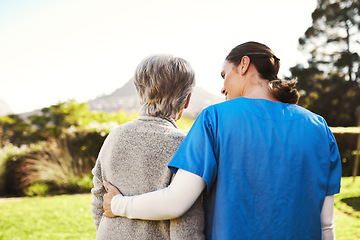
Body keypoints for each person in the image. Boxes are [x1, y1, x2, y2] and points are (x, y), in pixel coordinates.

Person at [102, 41, 342, 240]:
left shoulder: (214, 118)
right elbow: (326, 226)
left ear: (244, 65)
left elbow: (176, 202)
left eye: (224, 75)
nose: (222, 88)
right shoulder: (320, 127)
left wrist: (118, 205)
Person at [91, 54, 205, 240]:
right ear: (187, 100)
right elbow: (186, 224)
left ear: (139, 92)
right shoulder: (185, 146)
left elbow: (99, 202)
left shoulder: (114, 136)